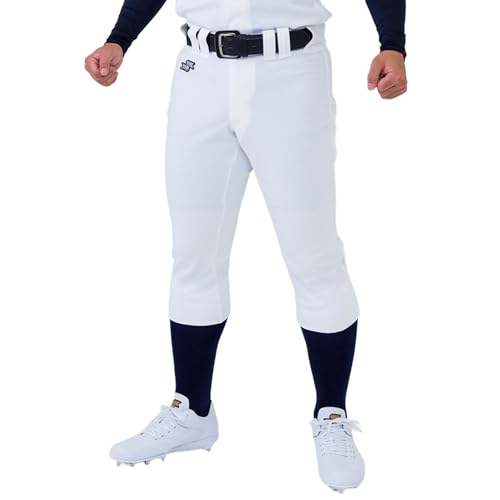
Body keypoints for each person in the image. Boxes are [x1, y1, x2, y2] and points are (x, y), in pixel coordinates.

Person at [84, 0, 407, 493]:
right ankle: (192, 410)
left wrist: (392, 43)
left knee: (314, 256)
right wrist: (119, 38)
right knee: (193, 255)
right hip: (200, 72)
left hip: (290, 70)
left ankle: (332, 413)